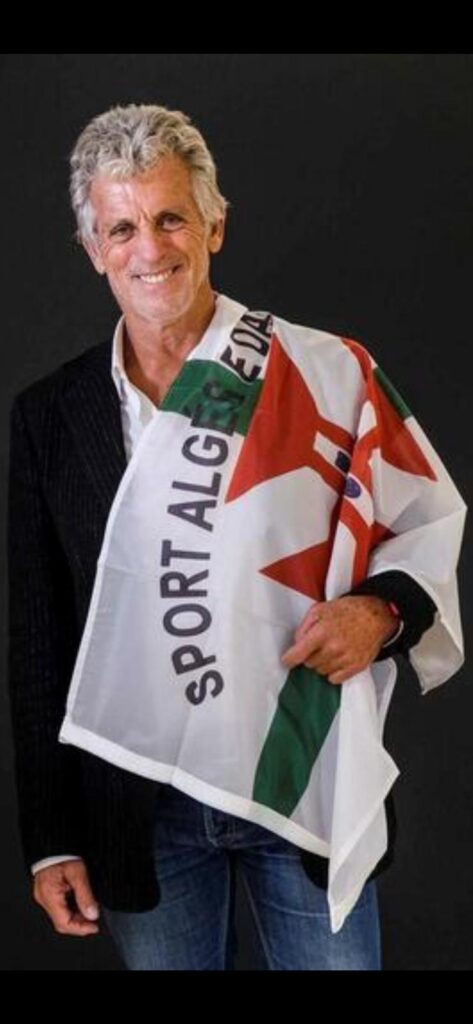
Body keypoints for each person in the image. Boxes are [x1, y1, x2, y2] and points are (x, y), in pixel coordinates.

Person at [7, 103, 466, 971]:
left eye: (171, 218)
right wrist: (50, 837)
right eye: (122, 228)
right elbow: (41, 639)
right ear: (93, 249)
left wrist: (380, 613)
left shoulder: (326, 373)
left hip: (297, 772)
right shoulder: (51, 417)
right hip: (141, 804)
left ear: (214, 225)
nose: (150, 248)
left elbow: (424, 519)